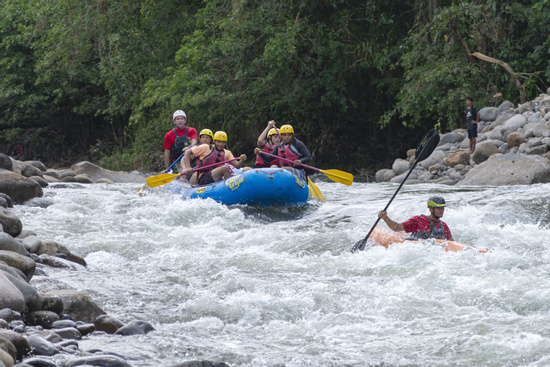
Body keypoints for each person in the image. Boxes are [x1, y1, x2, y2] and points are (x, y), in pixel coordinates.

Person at [182, 131, 247, 185]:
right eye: (218, 142)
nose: (220, 144)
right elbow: (188, 152)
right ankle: (230, 188)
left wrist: (242, 160)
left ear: (226, 143)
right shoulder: (205, 147)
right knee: (224, 168)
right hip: (203, 176)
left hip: (216, 176)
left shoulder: (227, 152)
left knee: (226, 169)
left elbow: (237, 166)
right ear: (214, 141)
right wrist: (188, 167)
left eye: (223, 142)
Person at [377, 196, 453, 240]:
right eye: (438, 208)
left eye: (442, 208)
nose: (441, 210)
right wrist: (385, 218)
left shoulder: (443, 225)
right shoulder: (418, 220)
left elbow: (451, 241)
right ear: (430, 209)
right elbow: (396, 228)